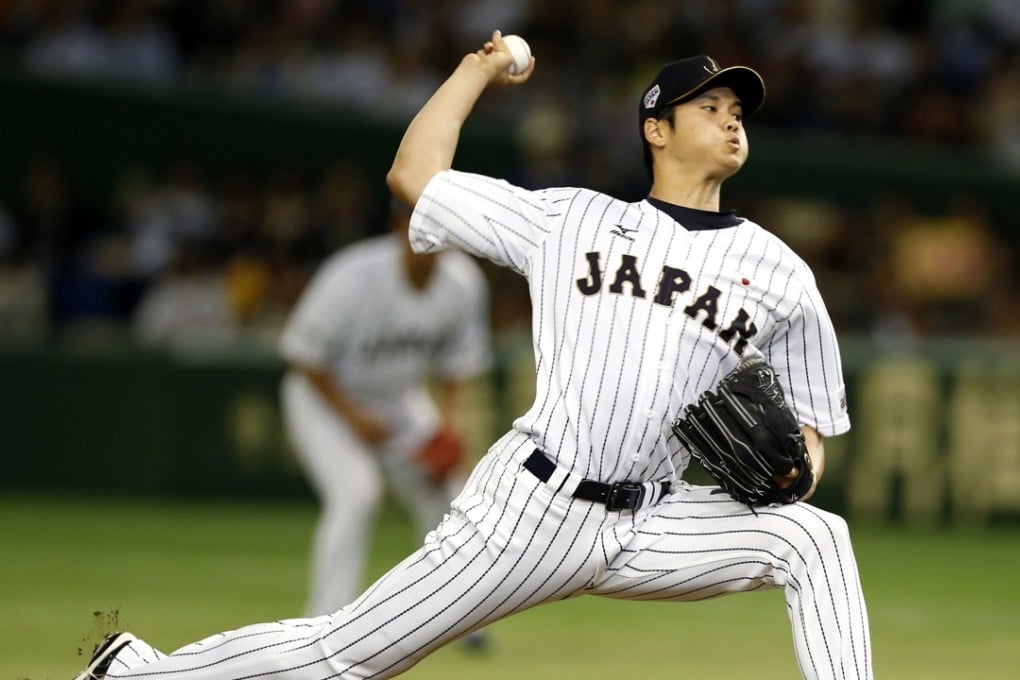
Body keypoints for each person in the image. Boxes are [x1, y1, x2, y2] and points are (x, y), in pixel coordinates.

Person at [73, 31, 872, 680]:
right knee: (347, 657)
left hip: (656, 519)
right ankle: (141, 674)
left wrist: (796, 473)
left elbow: (809, 429)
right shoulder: (572, 221)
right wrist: (477, 69)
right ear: (655, 129)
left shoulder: (782, 273)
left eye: (739, 109)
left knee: (814, 537)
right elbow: (414, 174)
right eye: (710, 105)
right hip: (536, 505)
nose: (732, 119)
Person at [277, 201, 492, 619]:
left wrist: (447, 426)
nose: (432, 238)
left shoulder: (463, 283)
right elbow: (301, 354)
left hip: (399, 399)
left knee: (451, 494)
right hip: (322, 398)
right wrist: (352, 416)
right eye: (421, 225)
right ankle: (324, 618)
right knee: (356, 493)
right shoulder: (352, 275)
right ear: (399, 228)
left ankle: (456, 614)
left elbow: (457, 364)